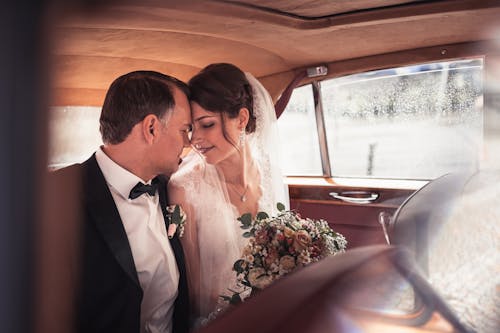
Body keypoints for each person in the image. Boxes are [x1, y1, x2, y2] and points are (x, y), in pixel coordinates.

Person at [53, 71, 191, 333]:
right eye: (185, 130)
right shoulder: (57, 195)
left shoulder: (174, 190)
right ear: (151, 128)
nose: (189, 142)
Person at [168, 63, 289, 323]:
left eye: (207, 124)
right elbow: (194, 290)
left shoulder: (269, 170)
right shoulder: (184, 188)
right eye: (191, 128)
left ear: (242, 119)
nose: (194, 140)